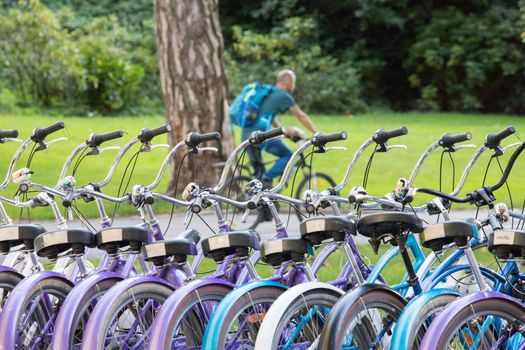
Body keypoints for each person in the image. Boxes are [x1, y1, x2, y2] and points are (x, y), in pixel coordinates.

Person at [241, 69, 317, 188]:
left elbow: (270, 117)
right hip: (261, 136)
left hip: (246, 136)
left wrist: (284, 133)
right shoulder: (284, 96)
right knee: (288, 155)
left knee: (259, 177)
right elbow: (301, 116)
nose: (294, 86)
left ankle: (261, 201)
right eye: (294, 82)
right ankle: (268, 177)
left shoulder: (268, 92)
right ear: (289, 82)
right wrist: (316, 133)